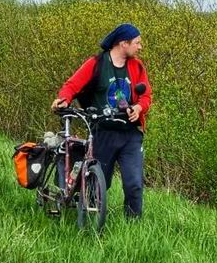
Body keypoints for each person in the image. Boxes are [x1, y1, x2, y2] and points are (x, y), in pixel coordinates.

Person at [51, 23, 153, 218]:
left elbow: (146, 96)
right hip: (103, 132)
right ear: (123, 43)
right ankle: (88, 220)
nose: (140, 47)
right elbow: (72, 85)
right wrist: (63, 99)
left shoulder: (137, 66)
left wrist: (139, 107)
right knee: (98, 184)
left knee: (134, 185)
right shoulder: (96, 64)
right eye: (137, 43)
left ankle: (132, 227)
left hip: (130, 134)